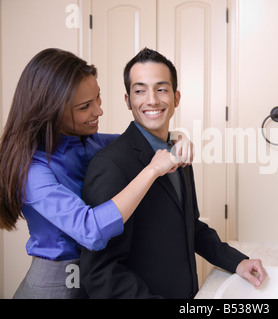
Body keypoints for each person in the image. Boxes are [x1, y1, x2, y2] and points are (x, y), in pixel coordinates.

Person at [0, 48, 191, 299]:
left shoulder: (90, 142)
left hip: (91, 280)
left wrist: (177, 136)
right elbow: (90, 230)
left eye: (98, 99)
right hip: (54, 286)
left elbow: (140, 140)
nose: (98, 111)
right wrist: (153, 170)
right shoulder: (32, 171)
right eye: (84, 107)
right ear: (51, 110)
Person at [80, 48, 267, 299]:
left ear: (176, 97)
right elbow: (99, 272)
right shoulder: (110, 164)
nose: (152, 100)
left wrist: (237, 262)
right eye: (140, 90)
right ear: (128, 101)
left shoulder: (178, 151)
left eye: (161, 89)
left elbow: (191, 226)